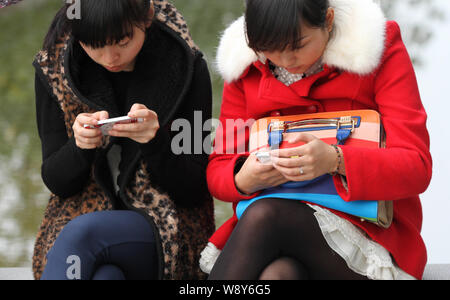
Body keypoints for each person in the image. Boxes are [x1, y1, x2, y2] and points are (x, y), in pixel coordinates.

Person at [201, 0, 432, 280]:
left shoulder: (378, 46)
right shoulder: (244, 65)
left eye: (297, 46)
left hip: (366, 235)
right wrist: (245, 177)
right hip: (279, 236)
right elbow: (218, 169)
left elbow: (416, 165)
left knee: (267, 215)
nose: (285, 60)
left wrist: (335, 160)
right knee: (278, 275)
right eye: (269, 49)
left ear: (329, 20)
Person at [33, 0, 214, 280]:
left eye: (122, 41)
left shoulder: (185, 67)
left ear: (147, 17)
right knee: (106, 276)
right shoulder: (54, 70)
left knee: (85, 236)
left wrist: (154, 142)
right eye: (94, 45)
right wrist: (80, 148)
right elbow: (57, 182)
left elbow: (194, 189)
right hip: (80, 220)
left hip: (168, 228)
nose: (110, 57)